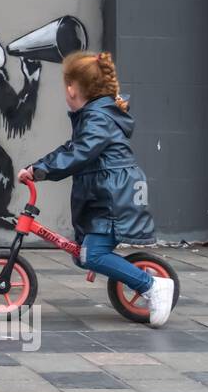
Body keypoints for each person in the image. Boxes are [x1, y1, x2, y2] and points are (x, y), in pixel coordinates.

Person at [17, 51, 174, 328]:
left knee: (93, 255)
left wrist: (43, 172)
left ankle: (152, 285)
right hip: (108, 193)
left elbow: (80, 152)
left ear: (72, 89)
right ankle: (142, 280)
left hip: (114, 196)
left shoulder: (98, 119)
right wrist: (37, 166)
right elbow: (72, 149)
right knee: (84, 254)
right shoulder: (96, 116)